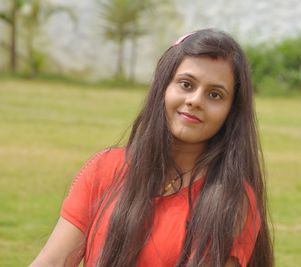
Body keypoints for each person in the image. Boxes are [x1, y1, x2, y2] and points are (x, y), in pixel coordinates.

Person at [29, 28, 274, 267]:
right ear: (163, 88)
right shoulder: (104, 169)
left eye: (215, 95)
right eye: (186, 84)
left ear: (231, 112)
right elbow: (54, 260)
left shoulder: (232, 201)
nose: (195, 100)